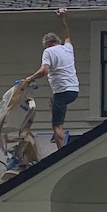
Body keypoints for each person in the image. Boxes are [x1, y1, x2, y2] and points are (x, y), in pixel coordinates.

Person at [22, 8, 79, 148]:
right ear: (56, 41)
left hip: (62, 92)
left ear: (47, 44)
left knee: (56, 125)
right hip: (74, 90)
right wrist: (63, 18)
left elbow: (44, 71)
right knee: (52, 102)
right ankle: (59, 132)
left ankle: (61, 151)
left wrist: (29, 79)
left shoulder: (48, 51)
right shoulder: (67, 48)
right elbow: (67, 35)